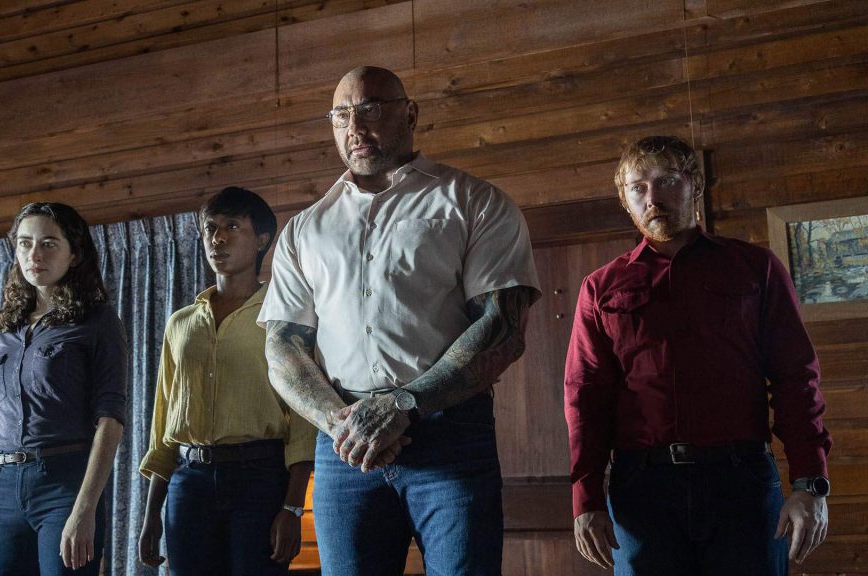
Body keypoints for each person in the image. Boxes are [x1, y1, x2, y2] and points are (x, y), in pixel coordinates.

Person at [258, 66, 541, 575]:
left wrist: (404, 405)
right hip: (344, 444)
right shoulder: (304, 229)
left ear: (410, 114)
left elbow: (501, 326)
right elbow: (282, 347)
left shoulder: (475, 201)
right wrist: (341, 423)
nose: (355, 127)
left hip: (451, 436)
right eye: (341, 115)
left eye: (370, 109)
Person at [564, 136, 832, 575]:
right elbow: (585, 397)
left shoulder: (756, 268)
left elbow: (796, 379)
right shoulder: (600, 288)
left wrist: (809, 483)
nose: (653, 198)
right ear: (625, 200)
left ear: (695, 186)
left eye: (667, 181)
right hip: (641, 491)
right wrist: (586, 498)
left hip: (741, 482)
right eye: (638, 187)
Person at [137, 187, 316, 576]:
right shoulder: (180, 323)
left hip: (260, 479)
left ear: (262, 240)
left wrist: (291, 508)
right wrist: (151, 514)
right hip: (189, 483)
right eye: (211, 228)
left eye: (232, 226)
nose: (217, 238)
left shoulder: (281, 318)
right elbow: (164, 422)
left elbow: (304, 422)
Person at [0, 203, 127, 576]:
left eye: (49, 243)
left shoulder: (98, 321)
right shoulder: (5, 326)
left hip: (65, 486)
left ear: (74, 254)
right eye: (25, 243)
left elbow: (110, 420)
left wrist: (85, 509)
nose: (35, 254)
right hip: (1, 490)